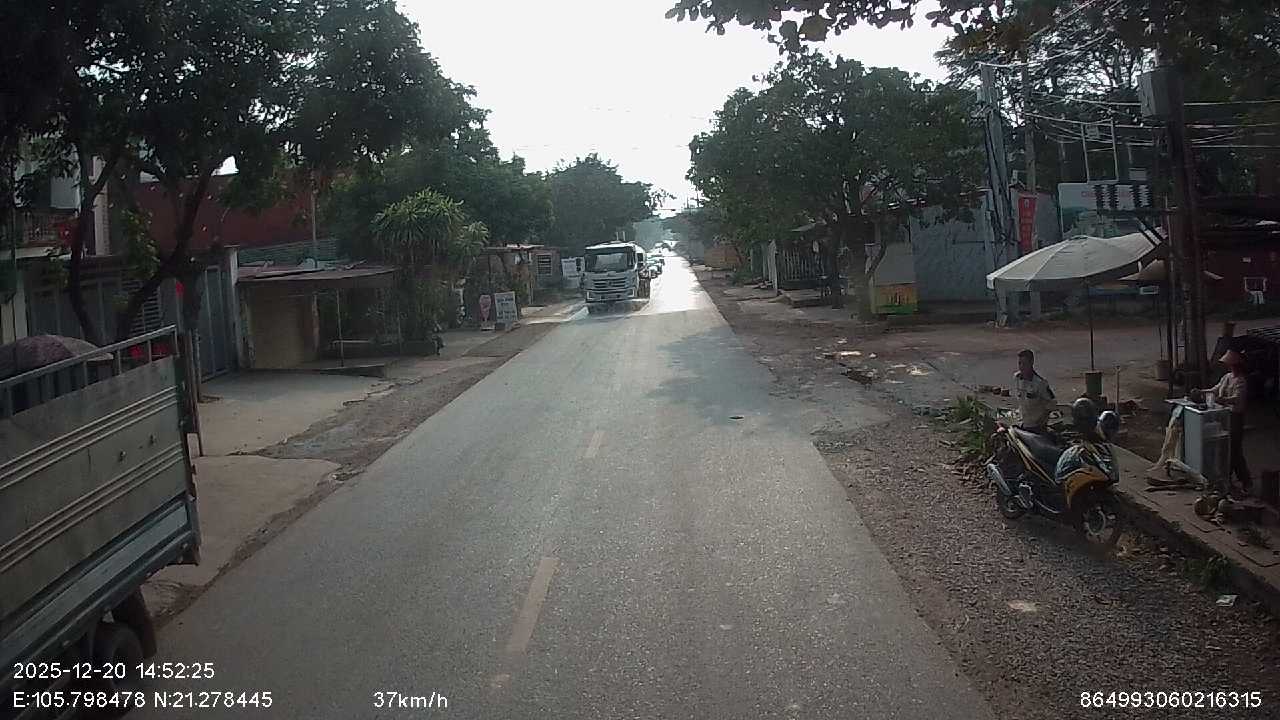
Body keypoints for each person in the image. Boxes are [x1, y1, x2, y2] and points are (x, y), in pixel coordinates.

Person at [1193, 349, 1251, 493]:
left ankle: (1245, 480)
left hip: (1235, 417)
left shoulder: (1241, 381)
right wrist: (1201, 391)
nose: (1229, 367)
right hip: (1224, 416)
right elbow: (1215, 389)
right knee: (1225, 448)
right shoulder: (1226, 377)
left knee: (1234, 450)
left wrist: (1223, 400)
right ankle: (1226, 479)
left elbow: (1237, 398)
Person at [1015, 349, 1056, 433]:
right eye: (1019, 363)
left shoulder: (1040, 383)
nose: (1021, 366)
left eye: (1024, 364)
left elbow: (1052, 402)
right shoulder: (1017, 378)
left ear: (1031, 363)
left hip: (1036, 427)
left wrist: (1043, 419)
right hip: (1022, 423)